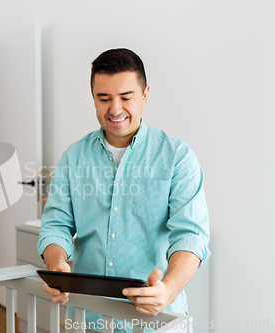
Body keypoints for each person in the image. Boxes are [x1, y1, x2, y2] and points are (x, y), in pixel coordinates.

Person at [37, 48, 210, 333]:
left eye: (126, 97)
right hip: (89, 318)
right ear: (93, 98)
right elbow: (56, 227)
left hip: (157, 319)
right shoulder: (73, 157)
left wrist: (167, 290)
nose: (115, 109)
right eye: (103, 98)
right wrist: (58, 269)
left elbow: (191, 236)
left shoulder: (178, 156)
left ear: (145, 95)